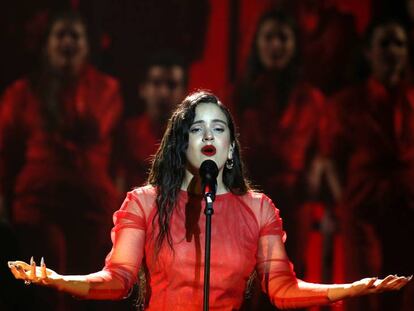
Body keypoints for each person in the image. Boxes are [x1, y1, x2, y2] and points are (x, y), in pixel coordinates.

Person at [7, 91, 411, 311]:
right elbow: (117, 281)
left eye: (219, 128)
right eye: (196, 128)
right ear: (180, 143)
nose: (208, 136)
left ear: (231, 147)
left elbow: (283, 290)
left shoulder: (258, 209)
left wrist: (349, 289)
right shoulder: (145, 203)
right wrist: (61, 280)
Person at [0, 10, 123, 310]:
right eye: (60, 35)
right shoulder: (21, 93)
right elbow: (5, 152)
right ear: (46, 45)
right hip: (39, 204)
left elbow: (95, 127)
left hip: (91, 205)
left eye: (75, 36)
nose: (68, 42)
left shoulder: (105, 89)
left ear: (87, 46)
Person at [233, 10, 331, 292]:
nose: (275, 45)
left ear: (295, 45)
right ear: (257, 43)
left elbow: (321, 149)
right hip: (249, 200)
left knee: (290, 278)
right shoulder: (239, 94)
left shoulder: (312, 99)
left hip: (293, 198)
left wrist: (317, 169)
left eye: (283, 38)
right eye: (269, 37)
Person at [321, 18, 414, 311]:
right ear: (368, 52)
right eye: (384, 43)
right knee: (367, 292)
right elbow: (330, 158)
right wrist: (344, 203)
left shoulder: (412, 99)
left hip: (408, 206)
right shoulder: (346, 103)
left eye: (398, 43)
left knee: (405, 290)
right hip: (364, 207)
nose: (392, 51)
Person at [116, 52, 188, 191]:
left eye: (172, 85)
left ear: (184, 93)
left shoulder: (196, 139)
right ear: (143, 89)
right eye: (156, 83)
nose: (163, 93)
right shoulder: (127, 134)